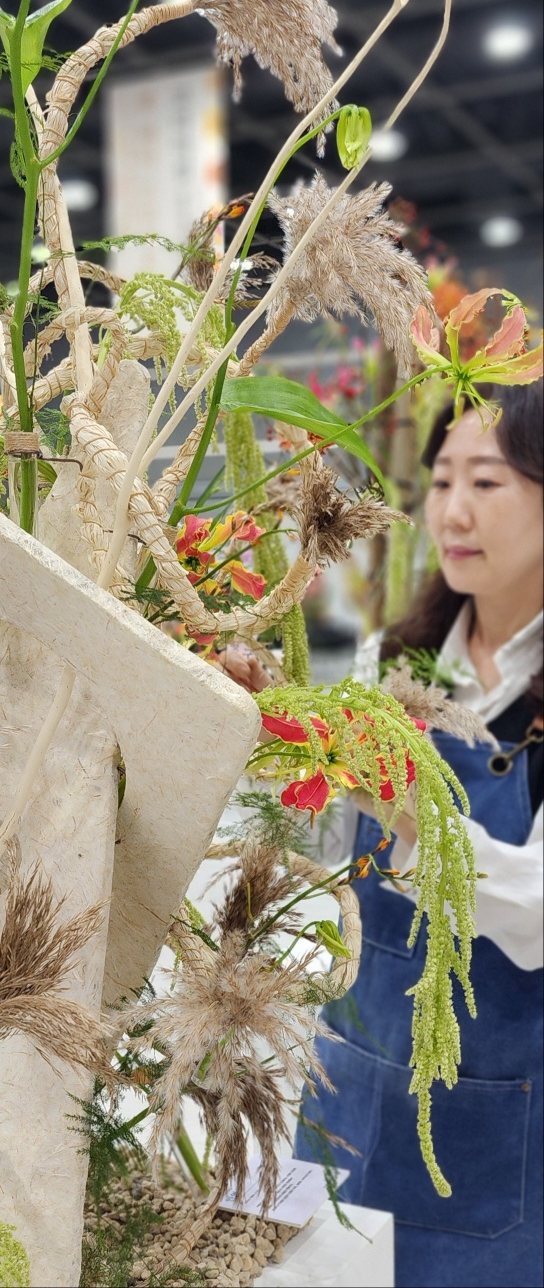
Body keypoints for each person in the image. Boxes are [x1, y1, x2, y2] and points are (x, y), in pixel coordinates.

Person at [294, 383, 543, 1288]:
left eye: (489, 480)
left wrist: (410, 821)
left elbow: (538, 911)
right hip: (353, 1081)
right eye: (442, 480)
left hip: (496, 1120)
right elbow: (339, 857)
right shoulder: (392, 661)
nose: (454, 511)